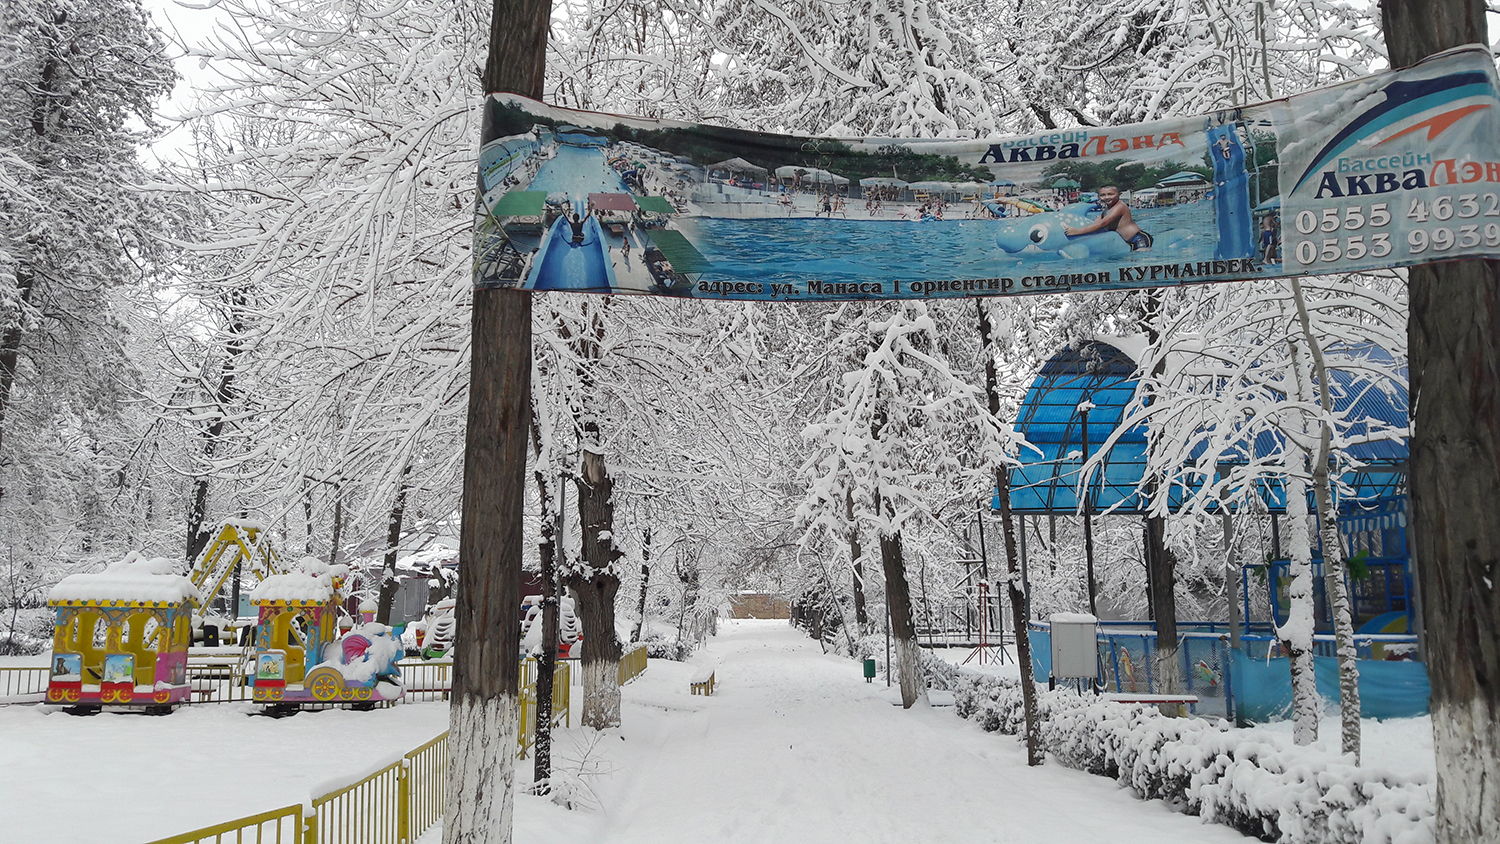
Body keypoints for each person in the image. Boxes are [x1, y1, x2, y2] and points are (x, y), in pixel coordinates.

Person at [1063, 184, 1153, 250]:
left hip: (1138, 239)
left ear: (1119, 195)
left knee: (1141, 260)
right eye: (1102, 195)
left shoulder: (1120, 206)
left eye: (1110, 194)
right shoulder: (1106, 210)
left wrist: (1077, 231)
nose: (1106, 197)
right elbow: (1094, 223)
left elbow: (1103, 223)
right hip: (1126, 242)